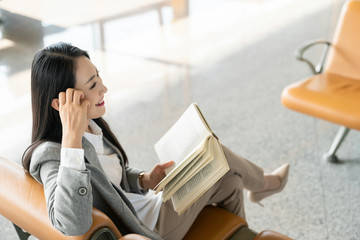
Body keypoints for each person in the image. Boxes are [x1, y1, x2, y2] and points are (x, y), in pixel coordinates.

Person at [23, 42, 290, 240]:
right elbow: (72, 223)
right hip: (146, 225)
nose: (103, 88)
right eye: (92, 85)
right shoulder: (52, 156)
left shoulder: (91, 127)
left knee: (230, 182)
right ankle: (265, 184)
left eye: (98, 77)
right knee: (215, 151)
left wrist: (144, 180)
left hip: (147, 204)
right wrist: (71, 140)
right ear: (61, 103)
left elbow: (111, 182)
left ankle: (241, 229)